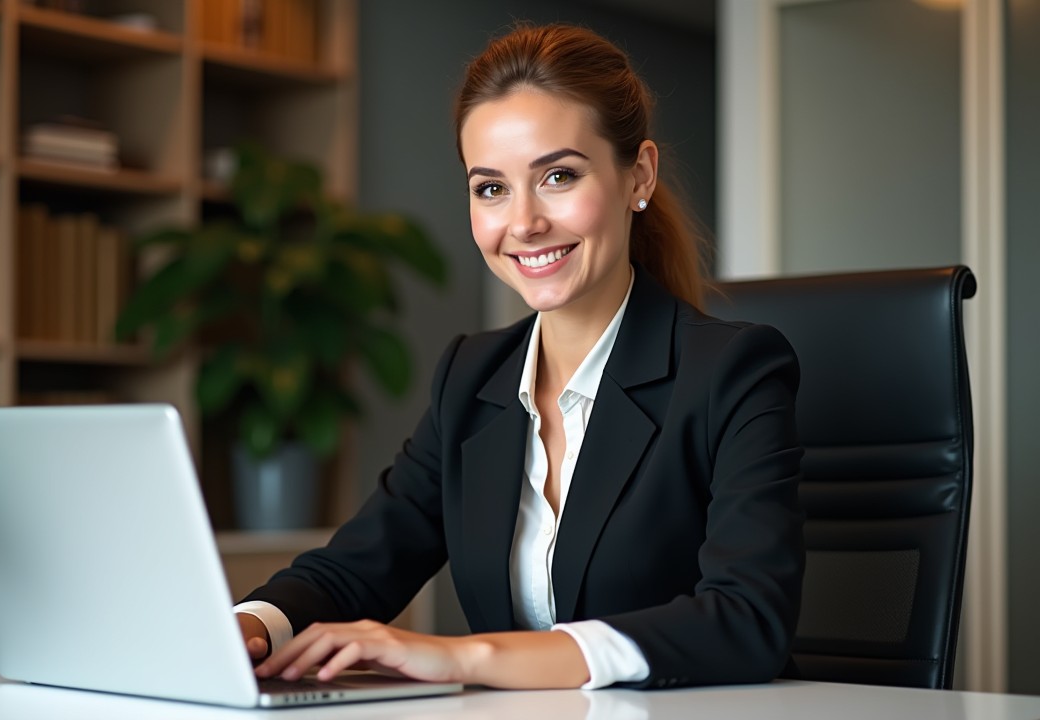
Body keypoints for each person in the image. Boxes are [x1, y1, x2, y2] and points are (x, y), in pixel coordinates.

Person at [233, 22, 805, 690]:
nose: (524, 222)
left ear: (638, 176)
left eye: (558, 176)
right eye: (491, 188)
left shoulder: (734, 373)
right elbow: (356, 568)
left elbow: (748, 619)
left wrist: (469, 656)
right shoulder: (472, 378)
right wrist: (248, 626)